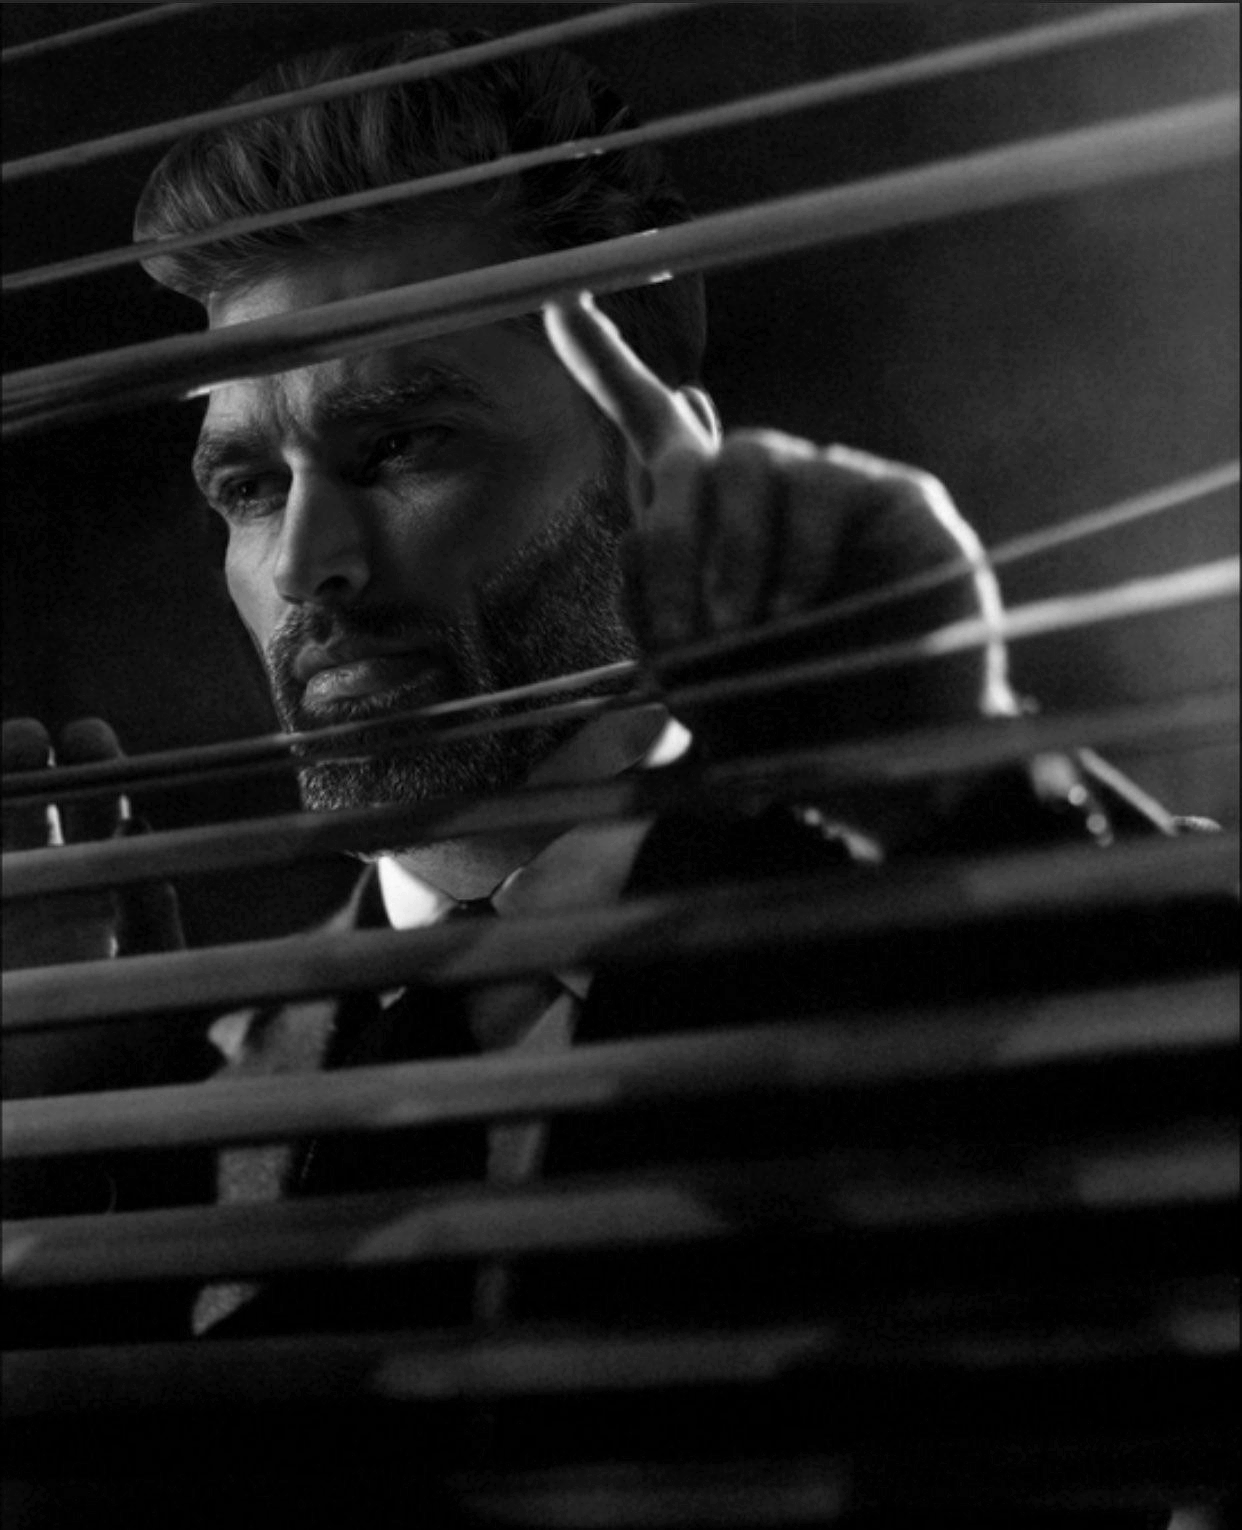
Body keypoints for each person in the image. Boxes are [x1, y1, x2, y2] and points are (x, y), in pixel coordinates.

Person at [3, 29, 1219, 1527]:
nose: (306, 562)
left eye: (402, 444)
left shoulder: (982, 942)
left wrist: (956, 784)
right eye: (249, 487)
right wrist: (47, 1139)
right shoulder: (190, 1104)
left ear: (652, 465)